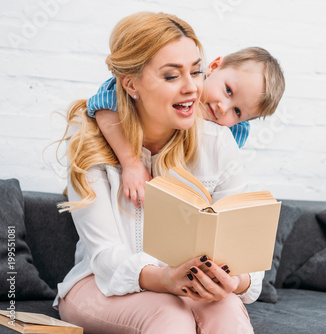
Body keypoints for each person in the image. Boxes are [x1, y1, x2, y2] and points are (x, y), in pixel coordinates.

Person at [55, 12, 264, 334]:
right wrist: (165, 278)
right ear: (131, 84)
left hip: (186, 285)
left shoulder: (218, 140)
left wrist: (233, 280)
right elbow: (105, 257)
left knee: (227, 310)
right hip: (99, 284)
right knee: (170, 315)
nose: (192, 88)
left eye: (196, 72)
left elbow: (248, 252)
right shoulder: (89, 139)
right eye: (171, 76)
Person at [88, 47, 285, 208]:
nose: (223, 108)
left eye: (238, 112)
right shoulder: (175, 87)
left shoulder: (229, 134)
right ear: (214, 67)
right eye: (228, 90)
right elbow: (103, 104)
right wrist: (131, 163)